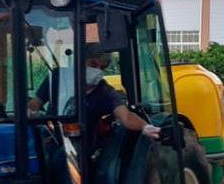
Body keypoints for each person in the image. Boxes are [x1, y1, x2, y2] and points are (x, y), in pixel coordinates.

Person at [29, 47, 160, 142]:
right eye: (93, 64)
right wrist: (31, 111)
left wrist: (145, 127)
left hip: (80, 147)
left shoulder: (105, 92)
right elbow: (36, 102)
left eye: (102, 68)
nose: (97, 70)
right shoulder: (58, 77)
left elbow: (126, 116)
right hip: (51, 138)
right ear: (80, 61)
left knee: (58, 162)